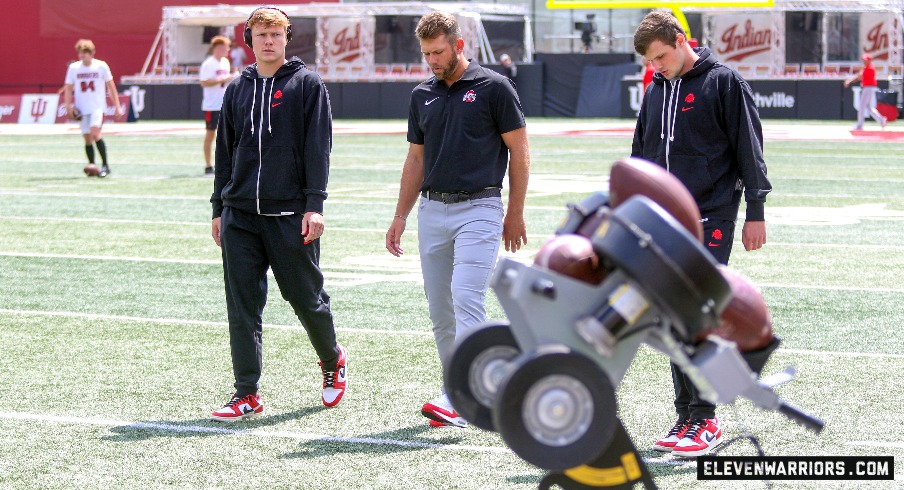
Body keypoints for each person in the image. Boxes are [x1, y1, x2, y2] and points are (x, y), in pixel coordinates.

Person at [630, 10, 771, 457]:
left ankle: (706, 417)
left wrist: (756, 210)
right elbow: (641, 153)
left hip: (712, 213)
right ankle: (686, 414)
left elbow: (749, 148)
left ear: (682, 39)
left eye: (662, 56)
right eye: (650, 61)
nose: (657, 66)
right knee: (673, 316)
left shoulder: (724, 82)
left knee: (696, 313)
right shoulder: (655, 88)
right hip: (663, 221)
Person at [384, 11, 530, 428]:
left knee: (466, 295)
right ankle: (457, 389)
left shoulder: (495, 87)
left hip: (481, 207)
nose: (431, 60)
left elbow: (519, 151)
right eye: (426, 53)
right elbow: (415, 159)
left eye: (438, 51)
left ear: (459, 45)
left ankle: (463, 393)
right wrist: (400, 215)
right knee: (440, 310)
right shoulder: (421, 94)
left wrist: (515, 212)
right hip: (432, 209)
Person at [209, 6, 347, 422]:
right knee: (243, 305)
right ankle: (246, 392)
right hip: (239, 216)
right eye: (260, 34)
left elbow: (317, 148)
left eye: (276, 33)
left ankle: (332, 360)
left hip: (290, 213)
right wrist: (219, 207)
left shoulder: (307, 84)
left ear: (288, 37)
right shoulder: (237, 88)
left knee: (305, 298)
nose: (268, 40)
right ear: (248, 40)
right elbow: (225, 153)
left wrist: (315, 205)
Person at [63, 39, 123, 178]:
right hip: (82, 108)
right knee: (87, 138)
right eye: (80, 54)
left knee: (95, 133)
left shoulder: (101, 66)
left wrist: (117, 105)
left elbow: (110, 86)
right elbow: (68, 88)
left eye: (84, 54)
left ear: (92, 53)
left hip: (97, 106)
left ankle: (105, 165)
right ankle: (92, 165)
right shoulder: (74, 68)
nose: (82, 57)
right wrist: (68, 106)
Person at [200, 35, 237, 175]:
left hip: (225, 103)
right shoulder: (209, 63)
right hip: (212, 105)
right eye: (225, 47)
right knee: (210, 134)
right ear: (218, 47)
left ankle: (228, 164)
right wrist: (222, 79)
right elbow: (204, 82)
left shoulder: (225, 62)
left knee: (229, 135)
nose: (227, 50)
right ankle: (208, 165)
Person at [844, 53, 887, 130]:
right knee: (869, 107)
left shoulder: (869, 68)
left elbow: (859, 77)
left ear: (869, 60)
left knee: (862, 106)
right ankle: (881, 119)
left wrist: (849, 81)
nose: (863, 61)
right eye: (863, 60)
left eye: (865, 60)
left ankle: (859, 125)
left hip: (868, 88)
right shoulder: (867, 67)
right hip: (868, 88)